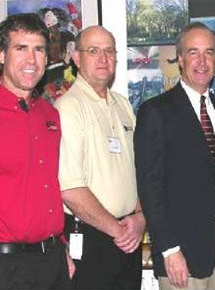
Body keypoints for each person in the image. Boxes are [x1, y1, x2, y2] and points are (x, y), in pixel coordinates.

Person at [0, 13, 73, 290]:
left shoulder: (49, 114)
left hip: (53, 263)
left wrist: (62, 248)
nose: (31, 60)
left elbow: (47, 189)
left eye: (38, 50)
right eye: (20, 48)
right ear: (0, 54)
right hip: (0, 269)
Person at [134, 22, 215, 290]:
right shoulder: (155, 112)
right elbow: (150, 189)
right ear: (180, 58)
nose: (202, 61)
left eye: (209, 53)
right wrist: (169, 249)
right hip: (181, 254)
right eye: (193, 52)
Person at [54, 26, 146, 289]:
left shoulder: (123, 105)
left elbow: (139, 170)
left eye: (109, 51)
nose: (103, 58)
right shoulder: (68, 108)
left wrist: (140, 218)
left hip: (129, 235)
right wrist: (119, 232)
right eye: (93, 51)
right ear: (76, 58)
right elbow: (70, 190)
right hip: (90, 238)